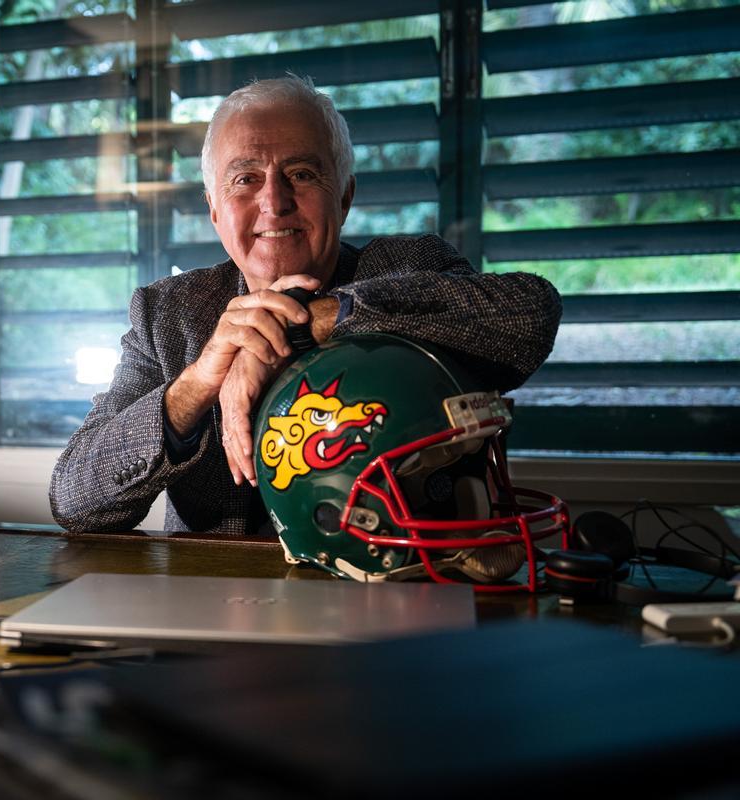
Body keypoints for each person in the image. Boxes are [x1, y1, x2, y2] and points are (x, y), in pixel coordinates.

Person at [50, 75, 562, 535]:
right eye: (245, 179)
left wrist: (313, 320)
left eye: (300, 173)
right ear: (213, 210)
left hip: (389, 594)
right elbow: (75, 501)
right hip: (217, 602)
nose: (274, 202)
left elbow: (530, 313)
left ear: (344, 196)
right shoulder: (168, 314)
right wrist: (199, 381)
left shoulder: (410, 266)